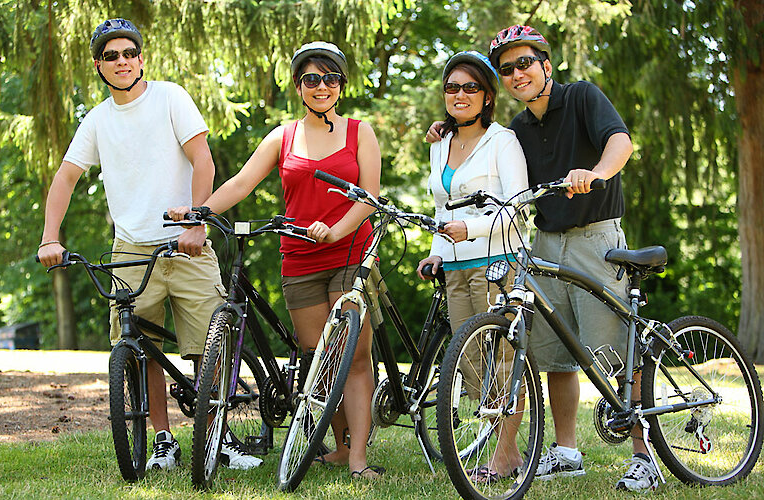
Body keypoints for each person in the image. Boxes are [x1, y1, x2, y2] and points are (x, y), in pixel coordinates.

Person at [428, 26, 654, 492]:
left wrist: (596, 173)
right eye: (507, 69)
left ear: (546, 66)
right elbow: (486, 163)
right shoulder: (516, 131)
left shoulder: (582, 97)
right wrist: (447, 127)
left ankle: (643, 453)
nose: (517, 74)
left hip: (596, 237)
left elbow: (620, 142)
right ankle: (567, 451)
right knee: (553, 355)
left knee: (615, 347)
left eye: (525, 63)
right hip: (546, 242)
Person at [37, 18, 261, 471]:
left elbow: (203, 159)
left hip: (185, 243)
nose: (122, 61)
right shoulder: (97, 120)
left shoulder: (170, 97)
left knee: (208, 345)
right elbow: (65, 177)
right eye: (111, 56)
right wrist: (49, 237)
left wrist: (198, 223)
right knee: (139, 350)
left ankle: (219, 436)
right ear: (99, 65)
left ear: (141, 59)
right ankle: (163, 438)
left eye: (129, 53)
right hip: (132, 248)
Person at [167, 41, 383, 480]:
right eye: (311, 79)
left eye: (329, 78)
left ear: (341, 85)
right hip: (299, 258)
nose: (321, 87)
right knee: (317, 357)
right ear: (299, 86)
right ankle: (340, 446)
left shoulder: (361, 133)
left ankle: (358, 458)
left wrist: (337, 229)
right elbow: (242, 182)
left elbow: (370, 198)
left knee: (354, 357)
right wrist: (199, 212)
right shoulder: (283, 136)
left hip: (349, 252)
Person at [415, 51, 529, 480]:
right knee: (469, 362)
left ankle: (502, 456)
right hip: (457, 267)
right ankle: (512, 451)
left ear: (487, 96)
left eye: (469, 87)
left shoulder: (503, 141)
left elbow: (518, 208)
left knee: (503, 361)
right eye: (451, 87)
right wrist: (437, 252)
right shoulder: (441, 143)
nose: (459, 94)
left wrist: (474, 228)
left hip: (499, 263)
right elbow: (442, 208)